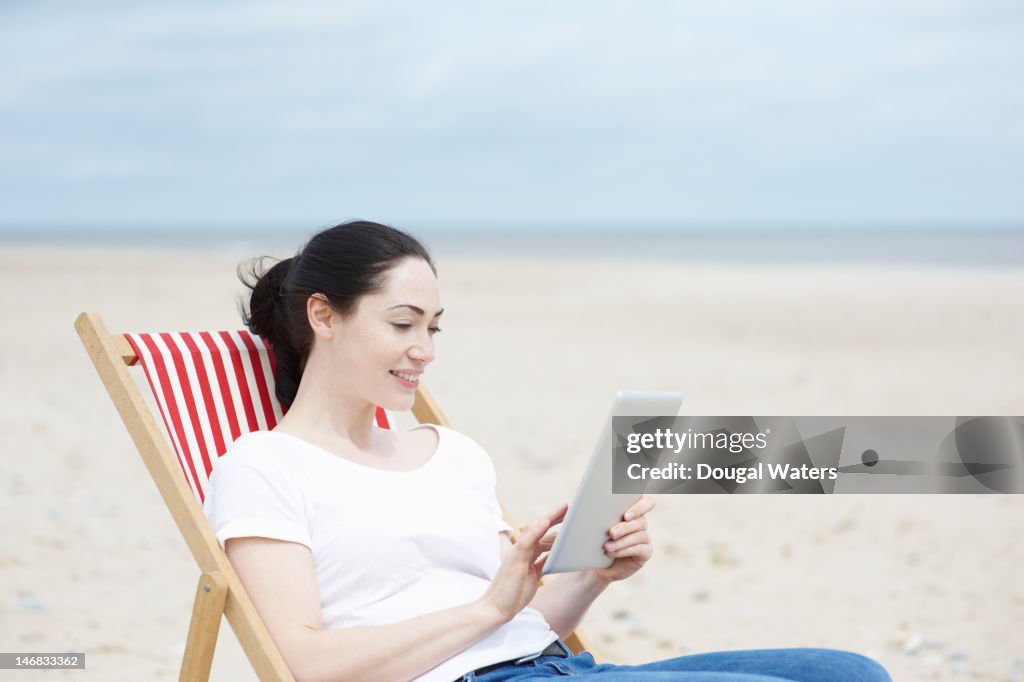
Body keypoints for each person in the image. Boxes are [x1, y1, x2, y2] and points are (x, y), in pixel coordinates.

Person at [204, 220, 892, 682]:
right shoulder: (263, 467)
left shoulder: (454, 454)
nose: (426, 351)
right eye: (403, 324)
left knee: (852, 674)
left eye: (435, 328)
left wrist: (595, 573)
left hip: (558, 667)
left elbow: (522, 622)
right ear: (325, 316)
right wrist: (486, 610)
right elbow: (304, 663)